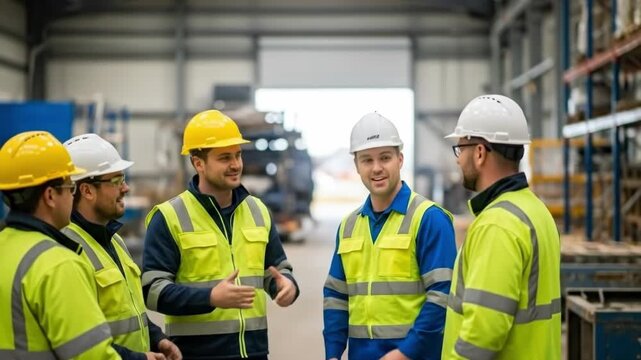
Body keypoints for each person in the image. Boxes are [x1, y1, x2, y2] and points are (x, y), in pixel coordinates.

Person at [142, 110, 300, 360]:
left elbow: (277, 269)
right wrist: (210, 297)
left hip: (254, 352)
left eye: (238, 155)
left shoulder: (257, 210)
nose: (236, 164)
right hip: (196, 355)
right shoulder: (169, 217)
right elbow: (152, 290)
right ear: (198, 163)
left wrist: (287, 285)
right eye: (225, 157)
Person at [323, 113, 457, 360]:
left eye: (385, 157)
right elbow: (336, 296)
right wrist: (332, 353)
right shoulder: (349, 226)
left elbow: (442, 295)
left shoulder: (429, 219)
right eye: (367, 160)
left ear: (400, 159)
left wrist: (405, 353)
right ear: (356, 166)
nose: (376, 168)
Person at [441, 94, 561, 359]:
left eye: (460, 150)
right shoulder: (536, 210)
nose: (458, 160)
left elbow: (483, 334)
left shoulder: (497, 224)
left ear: (480, 153)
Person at [0, 131, 120, 359]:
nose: (72, 197)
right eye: (70, 188)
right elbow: (93, 356)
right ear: (50, 196)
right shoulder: (58, 265)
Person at [62, 133, 182, 360]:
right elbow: (80, 342)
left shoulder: (114, 240)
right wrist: (139, 358)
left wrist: (157, 338)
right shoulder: (68, 250)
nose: (126, 188)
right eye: (116, 181)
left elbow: (128, 311)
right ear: (87, 190)